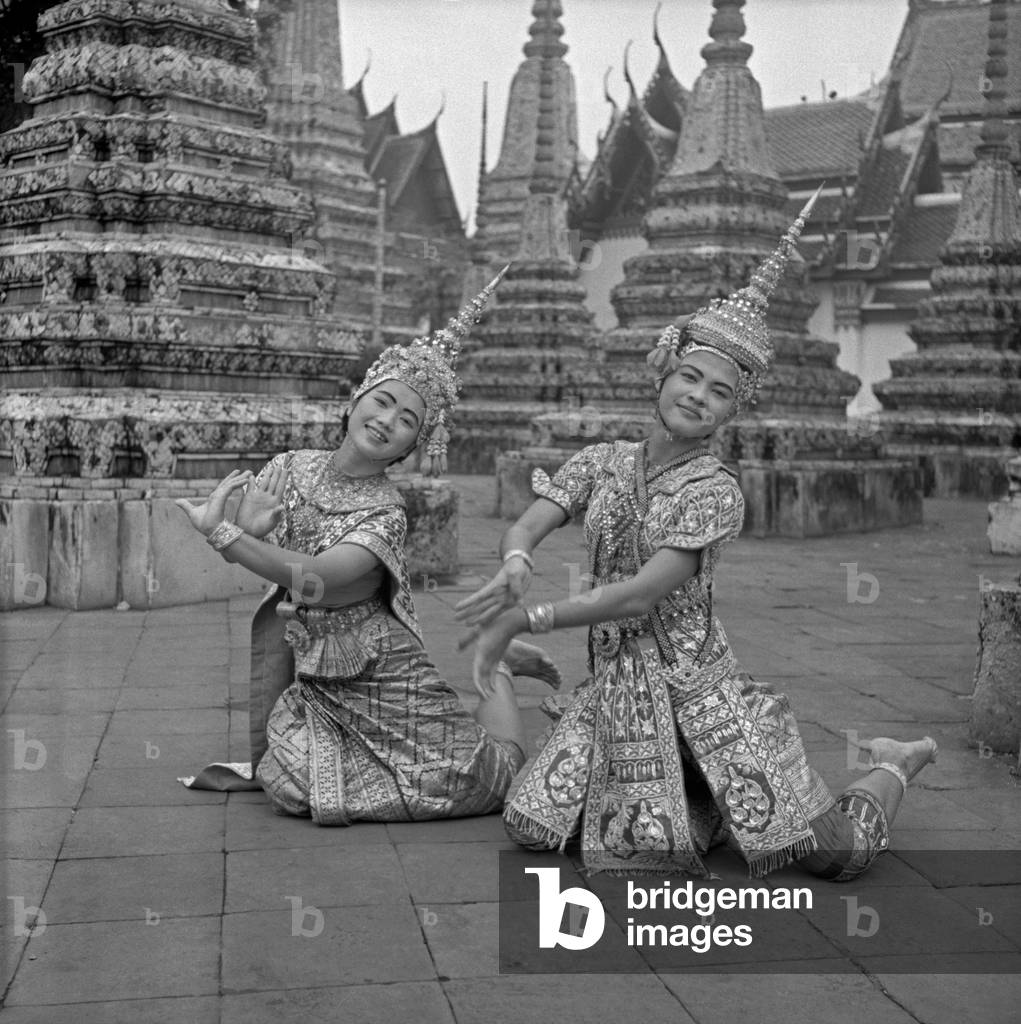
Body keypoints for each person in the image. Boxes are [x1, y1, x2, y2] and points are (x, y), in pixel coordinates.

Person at [455, 196, 937, 880]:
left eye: (717, 391)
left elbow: (639, 595)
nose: (696, 395)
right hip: (618, 683)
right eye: (689, 376)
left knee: (826, 854)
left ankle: (891, 763)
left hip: (694, 687)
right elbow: (535, 517)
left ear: (731, 409)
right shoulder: (603, 461)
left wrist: (524, 618)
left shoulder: (714, 490)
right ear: (663, 372)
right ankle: (696, 810)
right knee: (532, 826)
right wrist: (513, 558)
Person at [176, 271, 559, 824]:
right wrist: (253, 530)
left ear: (416, 443)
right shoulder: (291, 466)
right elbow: (281, 560)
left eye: (408, 421)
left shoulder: (385, 512)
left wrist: (224, 536)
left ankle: (496, 662)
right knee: (288, 784)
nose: (387, 422)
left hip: (380, 669)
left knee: (487, 779)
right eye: (382, 403)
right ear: (357, 399)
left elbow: (315, 579)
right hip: (318, 670)